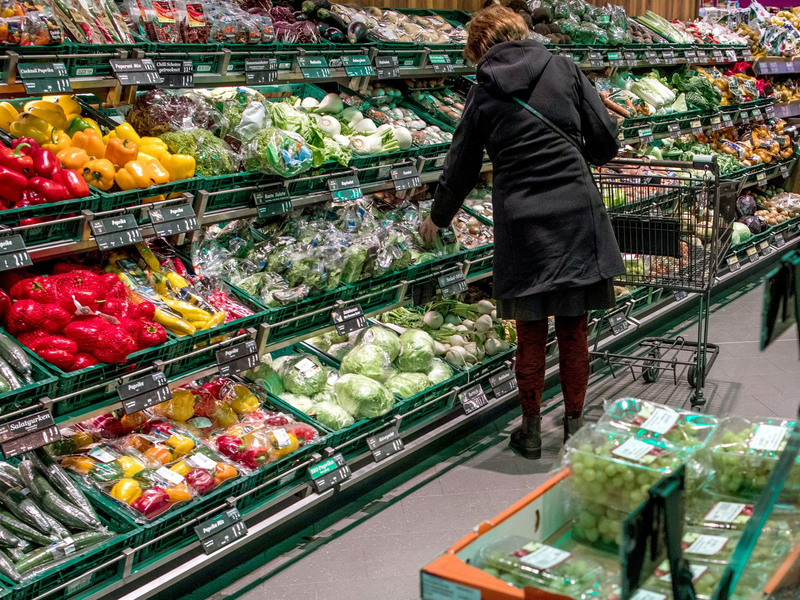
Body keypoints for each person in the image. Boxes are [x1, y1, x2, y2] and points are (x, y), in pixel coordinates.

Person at [418, 6, 625, 459]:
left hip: (521, 221)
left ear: (480, 50)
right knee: (574, 329)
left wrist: (439, 218)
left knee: (530, 332)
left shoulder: (483, 89)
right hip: (575, 213)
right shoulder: (564, 68)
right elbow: (605, 147)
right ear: (522, 32)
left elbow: (461, 165)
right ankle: (574, 428)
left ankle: (530, 430)